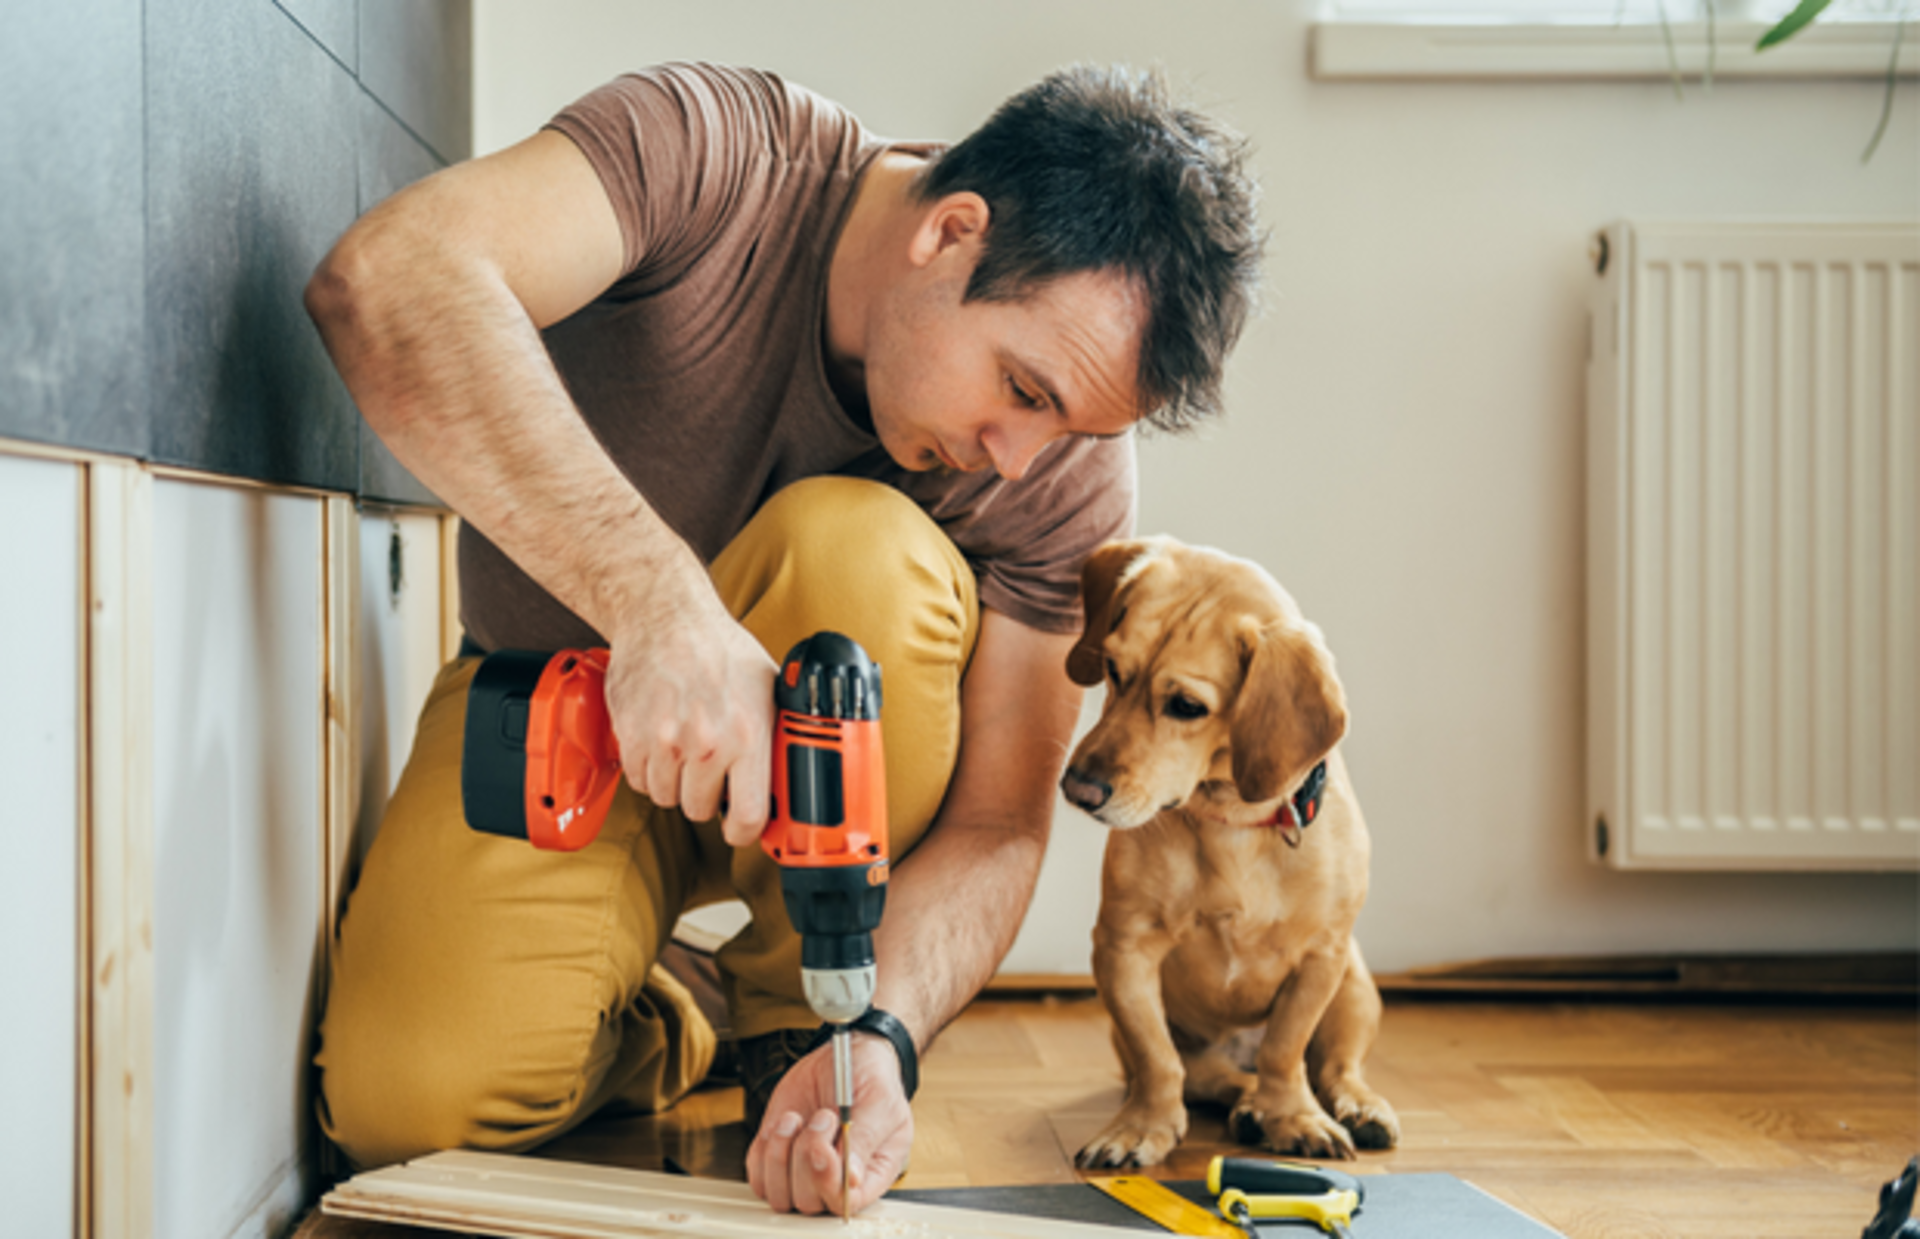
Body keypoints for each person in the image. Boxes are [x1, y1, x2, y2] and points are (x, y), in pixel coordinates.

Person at [304, 60, 1260, 1216]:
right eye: (1021, 388)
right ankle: (678, 1010)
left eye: (1065, 427)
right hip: (558, 702)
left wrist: (889, 1036)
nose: (1019, 457)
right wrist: (661, 609)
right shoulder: (713, 154)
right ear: (952, 233)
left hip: (832, 838)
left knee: (858, 547)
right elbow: (390, 277)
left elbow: (1001, 823)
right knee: (407, 1109)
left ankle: (802, 1022)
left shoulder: (1063, 470)